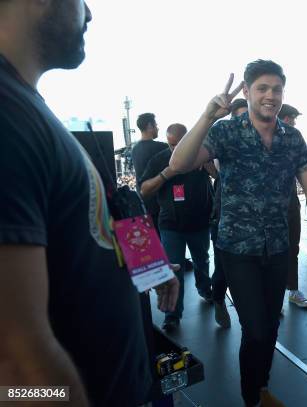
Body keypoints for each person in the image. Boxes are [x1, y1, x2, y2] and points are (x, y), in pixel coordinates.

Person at [0, 1, 178, 405]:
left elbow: (107, 209)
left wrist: (152, 267)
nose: (90, 14)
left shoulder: (31, 110)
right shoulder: (7, 114)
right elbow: (12, 364)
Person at [169, 60, 307, 407]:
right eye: (262, 88)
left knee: (271, 326)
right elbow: (179, 163)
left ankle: (261, 387)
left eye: (276, 89)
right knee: (256, 329)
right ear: (247, 92)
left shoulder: (292, 138)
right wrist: (207, 115)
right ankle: (252, 398)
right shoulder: (226, 131)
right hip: (237, 247)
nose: (270, 96)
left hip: (279, 245)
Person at [141, 124, 227, 330]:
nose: (175, 150)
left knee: (202, 260)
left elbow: (223, 179)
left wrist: (210, 168)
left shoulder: (202, 153)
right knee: (174, 267)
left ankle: (205, 289)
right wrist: (166, 174)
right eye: (172, 145)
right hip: (171, 224)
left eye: (180, 144)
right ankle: (172, 314)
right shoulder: (160, 159)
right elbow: (143, 189)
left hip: (199, 222)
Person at [278, 104, 307, 308]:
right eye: (292, 118)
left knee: (292, 249)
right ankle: (272, 298)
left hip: (290, 205)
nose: (294, 122)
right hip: (265, 212)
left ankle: (292, 290)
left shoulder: (293, 139)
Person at [132, 112, 167, 233]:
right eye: (156, 125)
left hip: (143, 203)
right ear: (149, 126)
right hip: (160, 204)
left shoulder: (135, 149)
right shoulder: (162, 147)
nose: (157, 128)